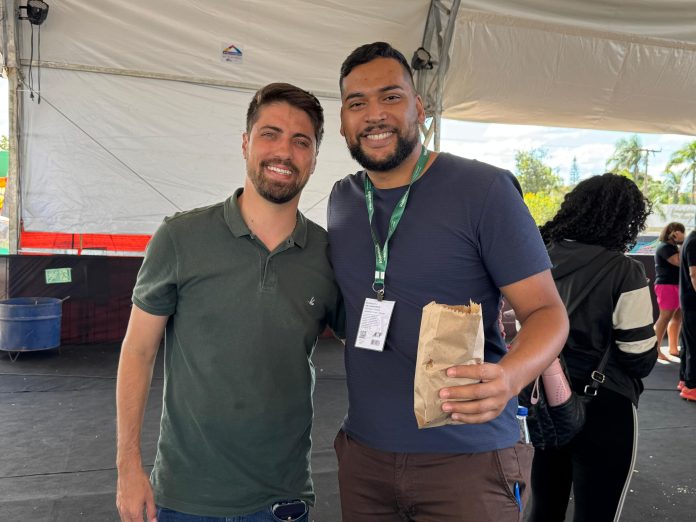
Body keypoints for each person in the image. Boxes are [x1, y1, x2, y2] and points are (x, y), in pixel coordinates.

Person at [327, 42, 569, 521]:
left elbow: (547, 312)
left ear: (419, 109)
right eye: (357, 103)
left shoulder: (484, 190)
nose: (374, 114)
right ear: (343, 122)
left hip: (468, 461)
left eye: (390, 97)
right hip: (365, 460)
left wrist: (510, 378)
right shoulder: (343, 199)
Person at [115, 83, 344, 522]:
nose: (284, 151)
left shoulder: (328, 255)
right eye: (270, 134)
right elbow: (138, 351)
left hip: (282, 500)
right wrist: (128, 467)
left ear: (315, 158)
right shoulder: (180, 238)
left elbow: (372, 344)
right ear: (245, 143)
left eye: (301, 141)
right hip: (184, 499)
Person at [529, 173, 658, 522]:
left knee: (543, 508)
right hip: (604, 404)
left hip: (546, 399)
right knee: (597, 513)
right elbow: (639, 358)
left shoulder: (539, 258)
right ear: (624, 219)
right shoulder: (625, 271)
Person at [653, 222, 685, 359]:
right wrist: (682, 243)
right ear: (673, 233)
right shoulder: (665, 247)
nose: (683, 234)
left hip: (677, 285)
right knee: (664, 318)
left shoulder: (672, 247)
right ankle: (654, 351)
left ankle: (673, 348)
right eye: (680, 232)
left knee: (677, 318)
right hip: (667, 286)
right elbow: (680, 262)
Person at [678, 226, 696, 400]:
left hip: (689, 300)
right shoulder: (694, 241)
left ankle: (685, 380)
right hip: (692, 301)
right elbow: (694, 274)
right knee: (694, 344)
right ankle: (692, 386)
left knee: (688, 342)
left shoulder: (690, 239)